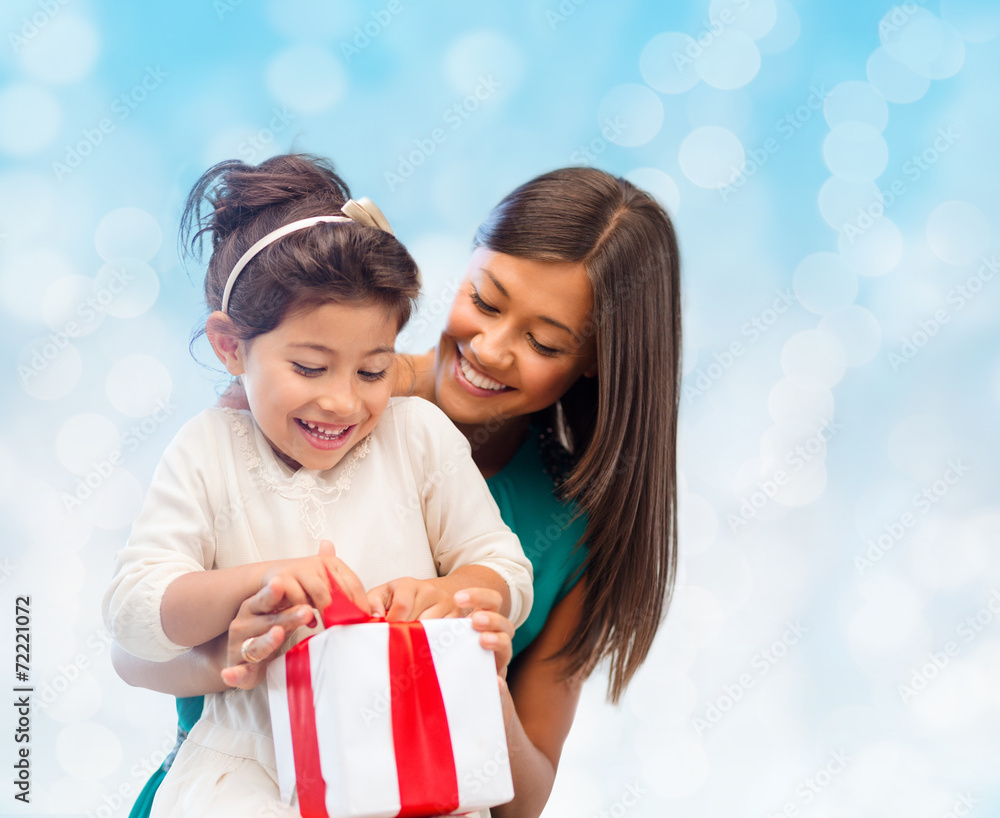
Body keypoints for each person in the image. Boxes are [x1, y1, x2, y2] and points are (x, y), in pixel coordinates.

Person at [114, 164, 681, 818]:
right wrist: (238, 650)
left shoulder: (556, 522)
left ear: (595, 360)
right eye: (486, 300)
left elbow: (520, 804)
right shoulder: (287, 406)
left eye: (545, 342)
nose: (492, 349)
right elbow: (134, 642)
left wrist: (476, 673)